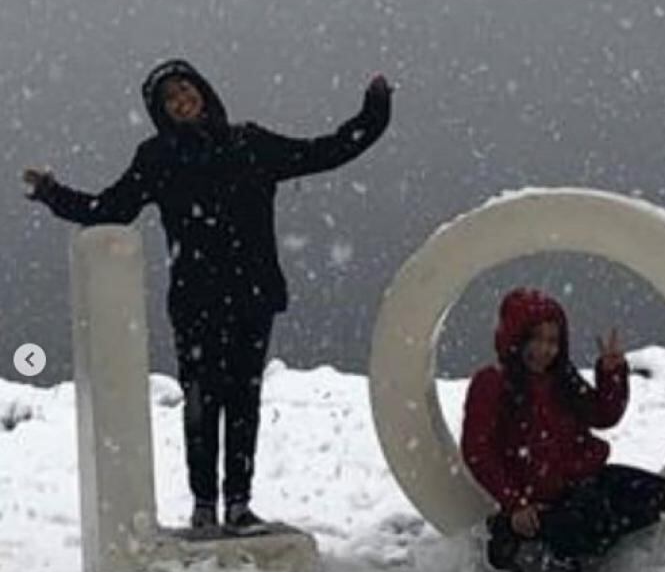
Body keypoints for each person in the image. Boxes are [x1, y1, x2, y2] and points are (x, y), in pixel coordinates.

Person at [24, 58, 392, 535]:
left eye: (186, 90)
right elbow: (109, 209)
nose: (182, 101)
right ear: (161, 112)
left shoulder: (250, 143)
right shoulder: (156, 157)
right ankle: (203, 507)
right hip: (195, 302)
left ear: (203, 91)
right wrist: (53, 193)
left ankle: (238, 505)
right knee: (201, 402)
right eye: (170, 99)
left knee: (244, 400)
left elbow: (326, 151)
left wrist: (374, 112)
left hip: (253, 296)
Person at [460, 288, 665, 572]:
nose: (546, 349)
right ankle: (511, 531)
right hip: (537, 495)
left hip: (583, 480)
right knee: (593, 526)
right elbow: (478, 450)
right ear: (517, 338)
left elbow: (602, 415)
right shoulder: (493, 383)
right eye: (536, 339)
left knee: (658, 494)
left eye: (553, 341)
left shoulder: (562, 377)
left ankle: (572, 537)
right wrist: (515, 503)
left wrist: (611, 373)